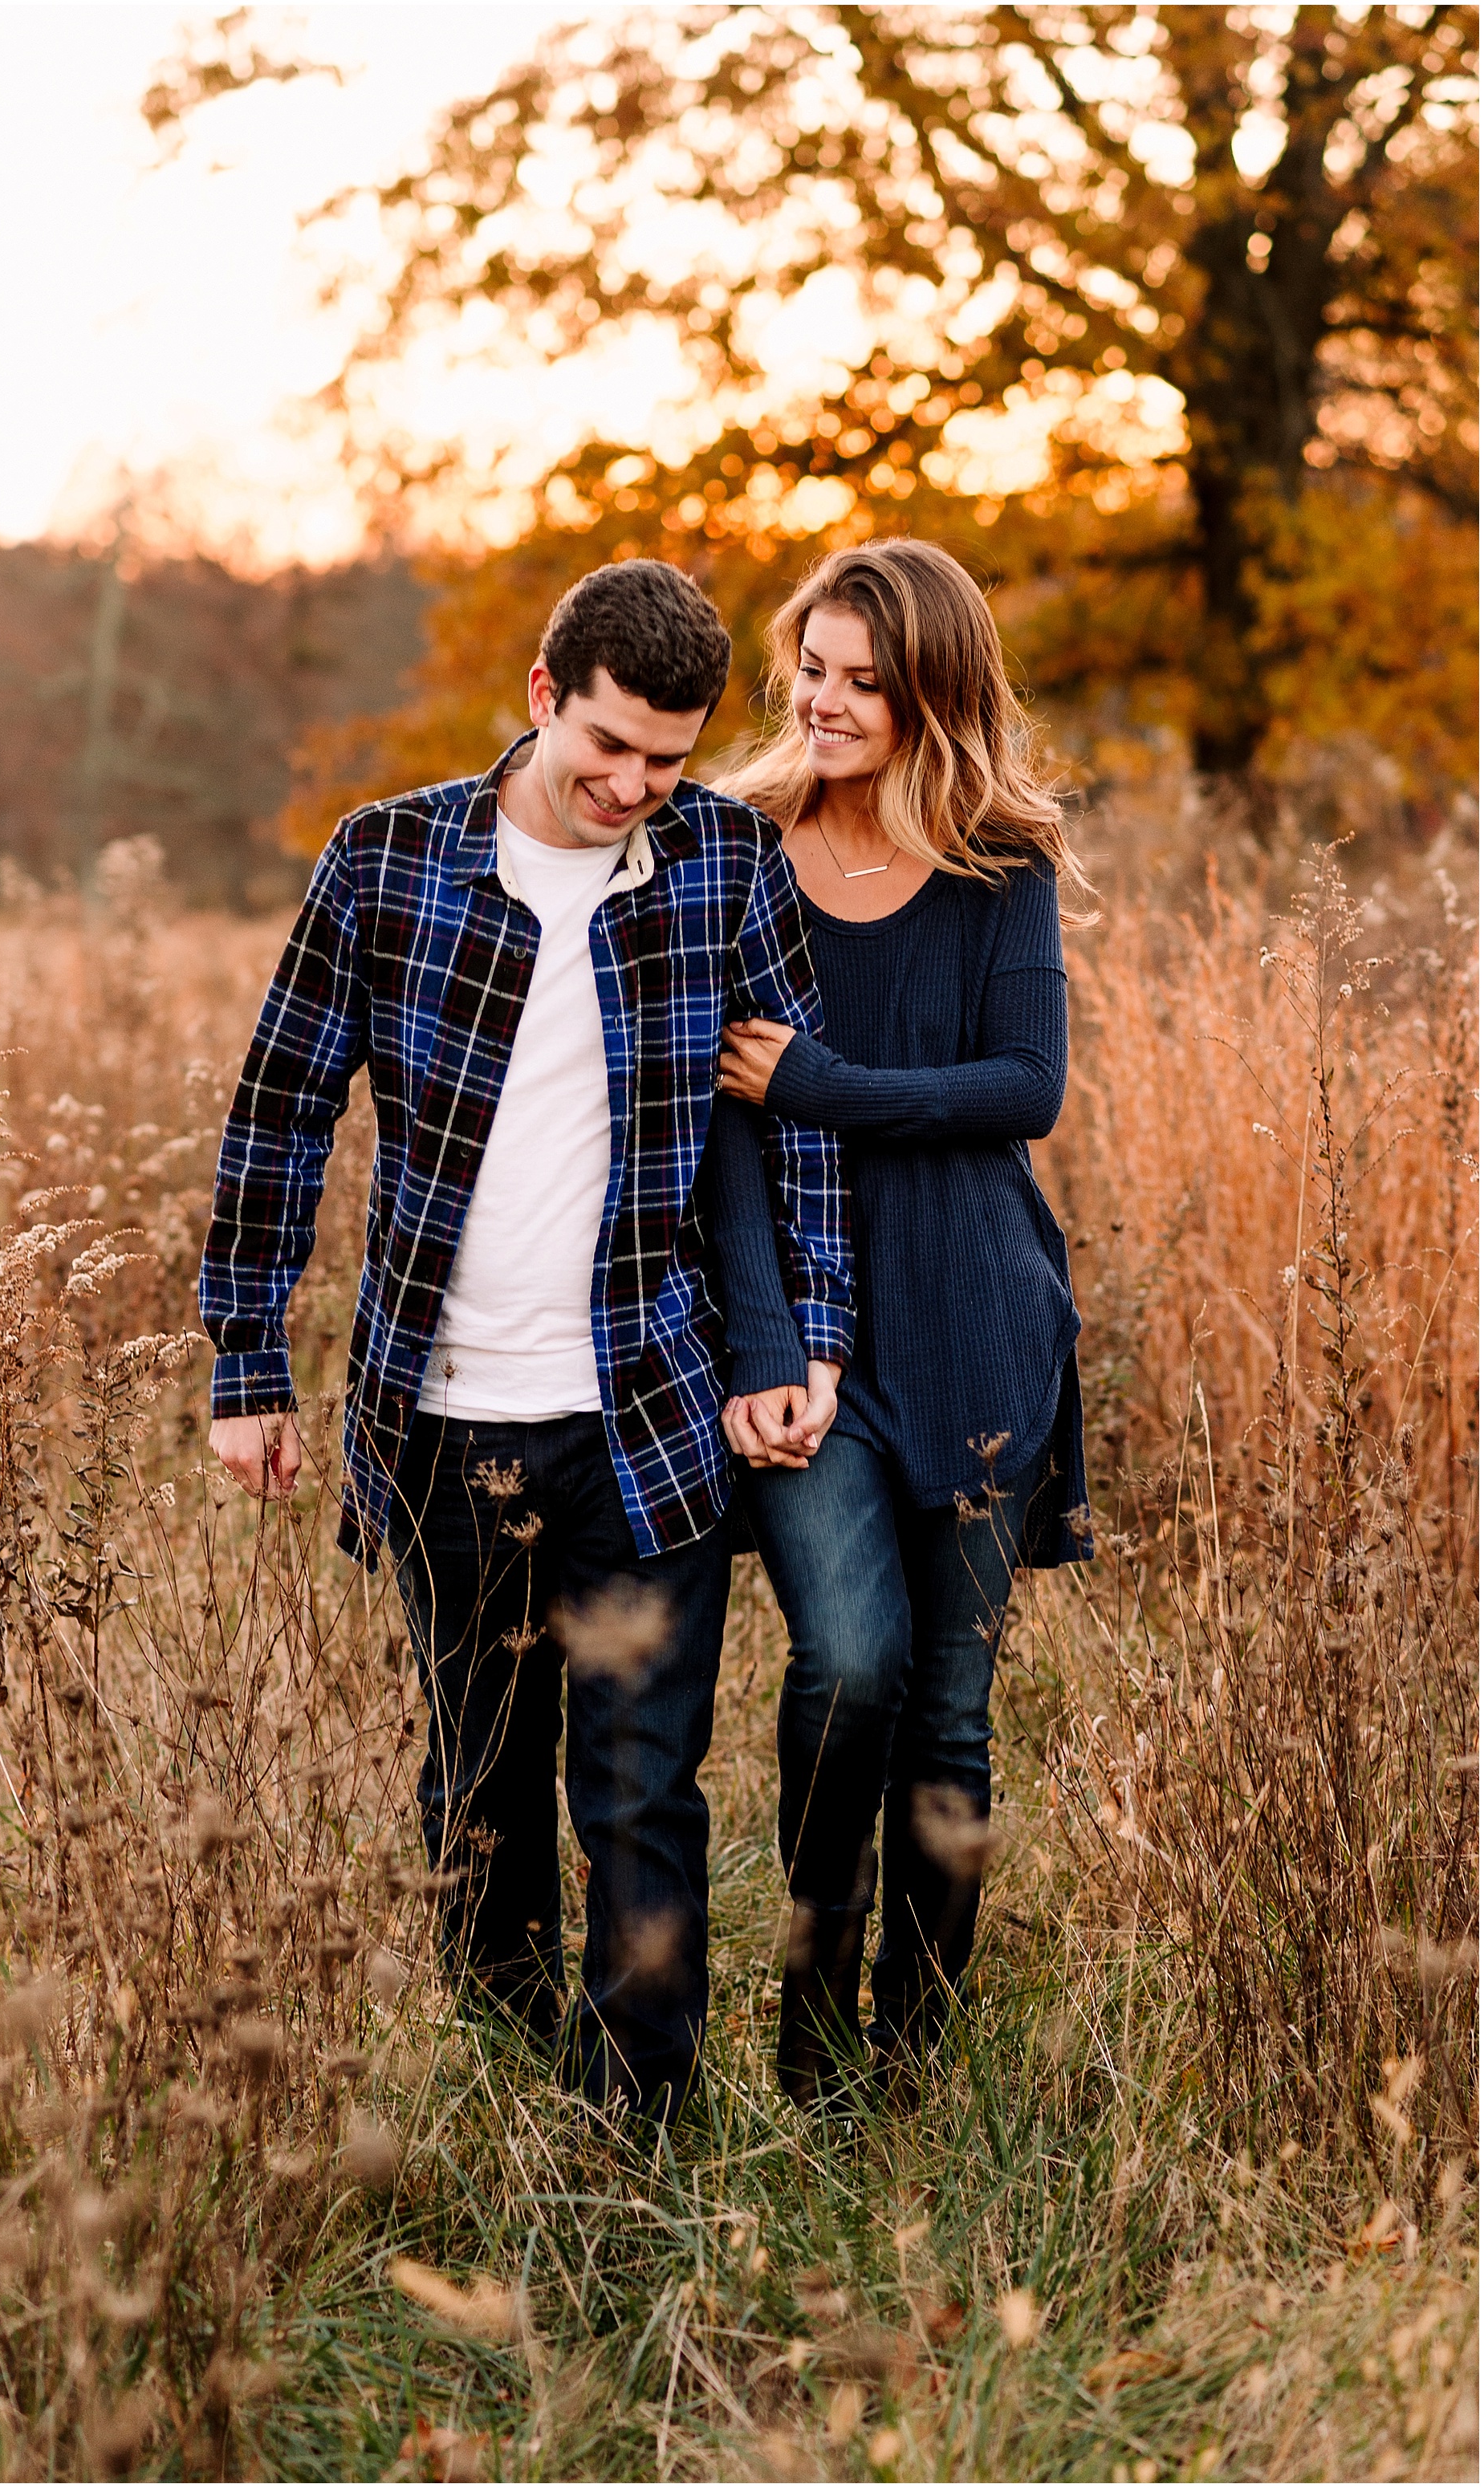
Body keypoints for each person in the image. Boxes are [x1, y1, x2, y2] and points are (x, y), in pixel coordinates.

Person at [199, 559, 852, 2120]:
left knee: (639, 1787)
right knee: (477, 1782)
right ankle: (505, 2080)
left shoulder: (721, 864)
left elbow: (799, 1116)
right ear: (543, 696)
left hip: (643, 1410)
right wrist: (244, 1363)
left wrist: (810, 1336)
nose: (632, 785)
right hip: (440, 1423)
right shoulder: (387, 859)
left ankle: (639, 2130)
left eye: (667, 757)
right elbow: (280, 1112)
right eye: (607, 746)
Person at [707, 537, 1095, 2109]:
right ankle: (809, 2015)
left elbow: (1025, 1087)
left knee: (948, 1706)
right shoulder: (729, 846)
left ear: (931, 692)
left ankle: (906, 2060)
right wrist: (755, 1343)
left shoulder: (1000, 863)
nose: (826, 697)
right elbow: (713, 1131)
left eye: (865, 679)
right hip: (807, 1341)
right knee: (851, 1662)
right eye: (811, 663)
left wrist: (826, 1084)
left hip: (976, 1318)